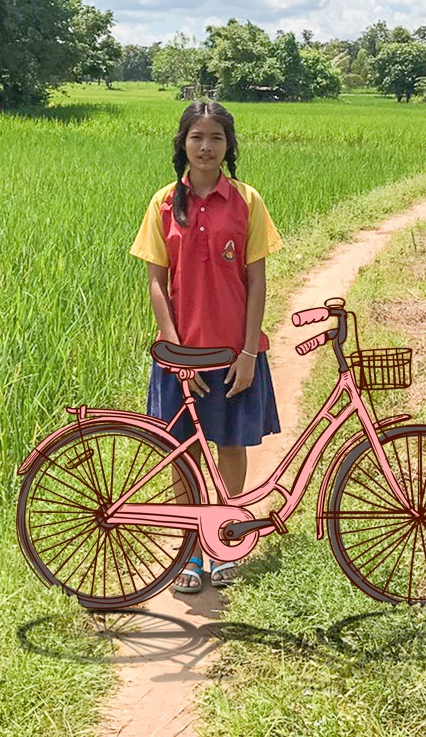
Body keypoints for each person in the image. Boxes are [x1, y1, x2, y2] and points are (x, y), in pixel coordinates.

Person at [129, 101, 283, 592]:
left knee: (231, 444)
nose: (206, 147)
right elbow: (157, 283)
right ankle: (190, 553)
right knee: (182, 455)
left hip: (234, 352)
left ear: (228, 146)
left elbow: (256, 282)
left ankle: (220, 543)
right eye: (197, 137)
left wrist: (247, 353)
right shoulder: (160, 204)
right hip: (182, 355)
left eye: (216, 138)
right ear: (183, 144)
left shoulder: (247, 201)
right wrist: (175, 356)